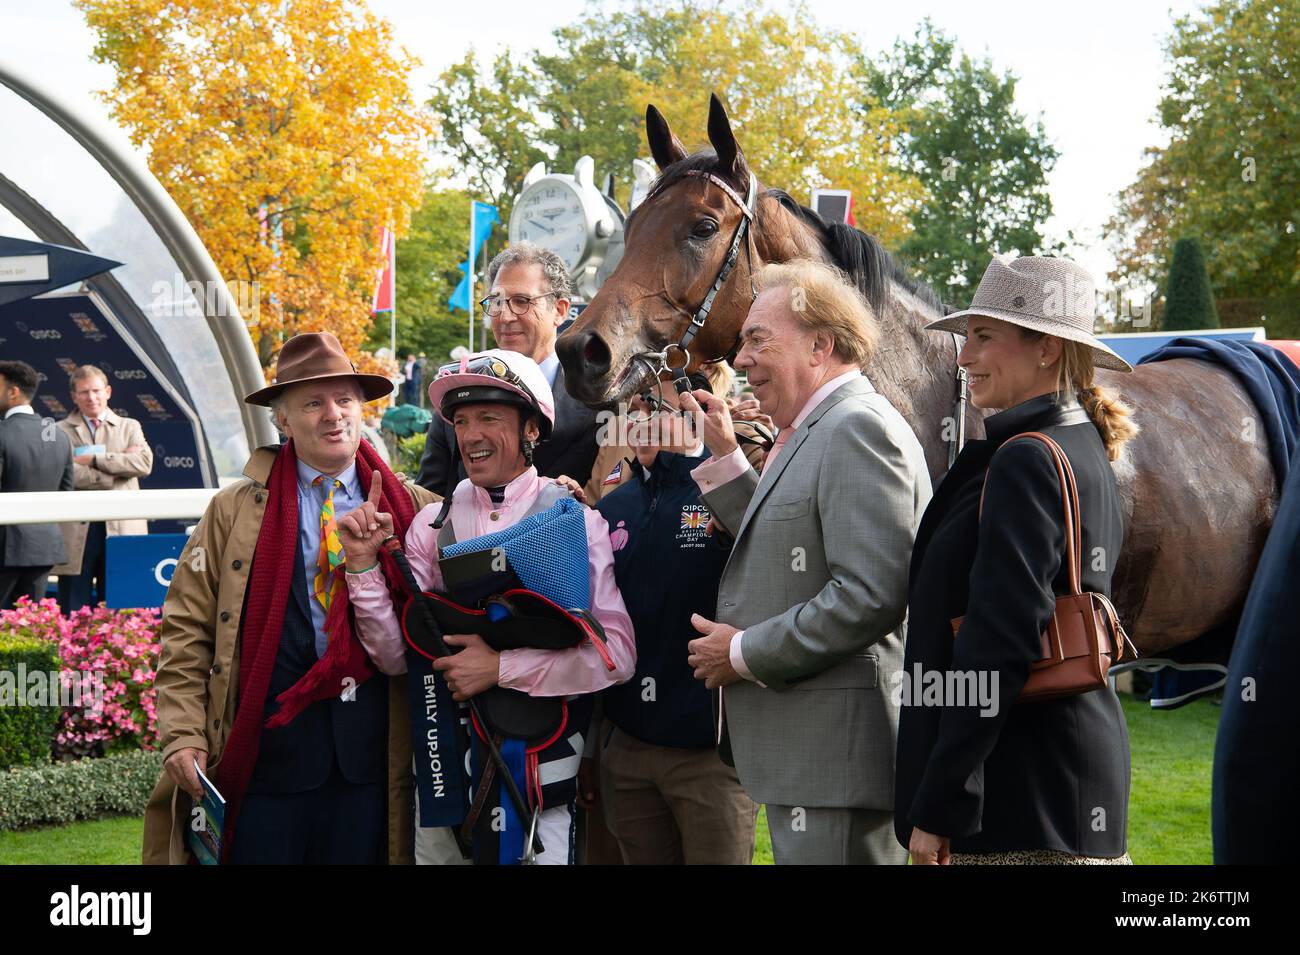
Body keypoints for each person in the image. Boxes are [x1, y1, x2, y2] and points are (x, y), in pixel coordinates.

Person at [142, 332, 436, 864]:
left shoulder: (413, 505)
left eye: (345, 399)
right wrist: (183, 733)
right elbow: (186, 629)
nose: (334, 415)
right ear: (282, 419)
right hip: (265, 763)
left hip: (370, 761)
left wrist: (561, 494)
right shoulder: (233, 511)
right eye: (313, 403)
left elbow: (495, 522)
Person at [678, 258, 932, 865]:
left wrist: (740, 654)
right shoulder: (822, 426)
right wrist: (725, 460)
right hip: (817, 763)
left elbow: (868, 595)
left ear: (821, 345)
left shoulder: (857, 430)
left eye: (758, 339)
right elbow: (790, 550)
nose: (740, 361)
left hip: (837, 764)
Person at [344, 348, 636, 865]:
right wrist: (364, 567)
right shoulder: (431, 526)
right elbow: (395, 658)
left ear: (531, 429)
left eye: (489, 418)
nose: (471, 434)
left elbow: (616, 655)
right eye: (461, 421)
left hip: (539, 788)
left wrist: (499, 668)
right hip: (444, 782)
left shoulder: (573, 519)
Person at [895, 255, 1138, 865]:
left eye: (983, 337)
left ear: (1047, 349)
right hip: (1063, 777)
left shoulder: (1026, 457)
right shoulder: (1078, 440)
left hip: (1025, 792)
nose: (962, 357)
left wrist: (942, 801)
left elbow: (998, 645)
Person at [590, 372, 759, 864]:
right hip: (628, 752)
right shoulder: (613, 503)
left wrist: (724, 456)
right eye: (634, 409)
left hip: (708, 757)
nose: (641, 420)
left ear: (693, 410)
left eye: (655, 407)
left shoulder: (725, 489)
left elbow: (770, 554)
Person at [415, 243, 600, 495]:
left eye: (522, 301)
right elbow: (431, 499)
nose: (505, 316)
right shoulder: (459, 391)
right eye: (497, 302)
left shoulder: (598, 398)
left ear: (560, 310)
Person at [56, 365, 154, 610]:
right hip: (78, 528)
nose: (91, 397)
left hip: (122, 526)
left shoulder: (129, 426)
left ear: (108, 392)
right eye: (84, 392)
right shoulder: (59, 431)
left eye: (96, 391)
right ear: (73, 396)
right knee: (73, 605)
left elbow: (143, 463)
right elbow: (66, 473)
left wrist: (96, 460)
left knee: (121, 605)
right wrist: (118, 471)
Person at [0, 361, 74, 609]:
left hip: (5, 548)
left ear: (13, 391)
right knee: (31, 629)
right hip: (43, 548)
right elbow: (66, 493)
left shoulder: (2, 433)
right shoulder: (59, 436)